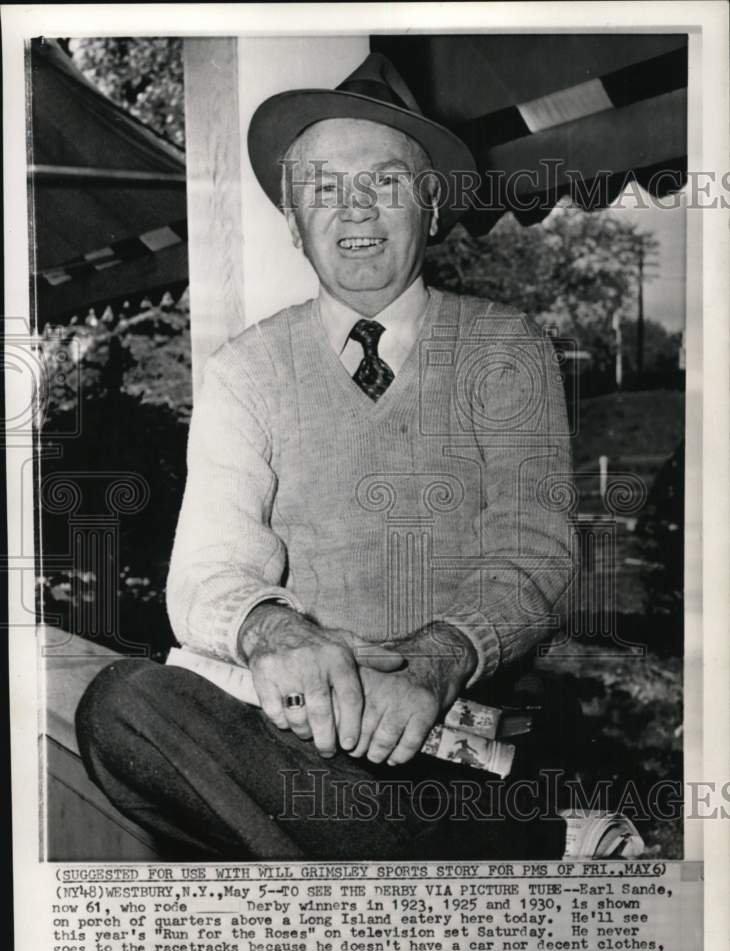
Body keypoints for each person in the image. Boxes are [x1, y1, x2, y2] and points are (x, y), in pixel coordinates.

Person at [76, 53, 576, 860]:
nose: (356, 211)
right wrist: (276, 636)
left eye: (385, 183)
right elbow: (207, 573)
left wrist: (434, 662)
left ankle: (414, 854)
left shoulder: (507, 348)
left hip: (460, 738)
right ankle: (484, 855)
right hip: (296, 749)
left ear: (434, 205)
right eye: (323, 188)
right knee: (122, 706)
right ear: (291, 220)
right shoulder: (245, 370)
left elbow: (539, 552)